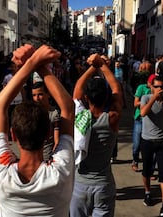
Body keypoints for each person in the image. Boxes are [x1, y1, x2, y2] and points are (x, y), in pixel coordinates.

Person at [0, 44, 74, 216]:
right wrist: (37, 64)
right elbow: (68, 108)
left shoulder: (3, 171)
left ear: (13, 135)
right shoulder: (60, 172)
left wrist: (32, 62)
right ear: (48, 134)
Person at [70, 54, 123, 217]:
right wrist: (103, 66)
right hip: (103, 185)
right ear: (106, 97)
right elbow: (117, 90)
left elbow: (78, 88)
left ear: (86, 98)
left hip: (80, 185)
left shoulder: (79, 118)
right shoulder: (112, 119)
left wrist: (93, 66)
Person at [140, 76, 163, 216]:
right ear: (152, 87)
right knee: (147, 170)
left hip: (162, 141)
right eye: (157, 87)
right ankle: (147, 193)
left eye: (162, 87)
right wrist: (154, 97)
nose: (160, 89)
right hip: (147, 140)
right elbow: (143, 113)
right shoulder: (146, 98)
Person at [31, 81, 60, 161]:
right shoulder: (31, 113)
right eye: (34, 95)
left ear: (48, 94)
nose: (37, 98)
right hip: (33, 157)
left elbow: (56, 141)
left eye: (40, 94)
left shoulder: (54, 114)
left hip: (47, 157)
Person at [131, 73, 154, 172]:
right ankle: (135, 161)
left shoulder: (157, 92)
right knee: (137, 144)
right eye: (153, 84)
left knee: (151, 146)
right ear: (149, 83)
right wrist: (147, 101)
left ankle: (150, 168)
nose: (154, 86)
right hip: (140, 119)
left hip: (151, 120)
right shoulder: (142, 88)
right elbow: (135, 103)